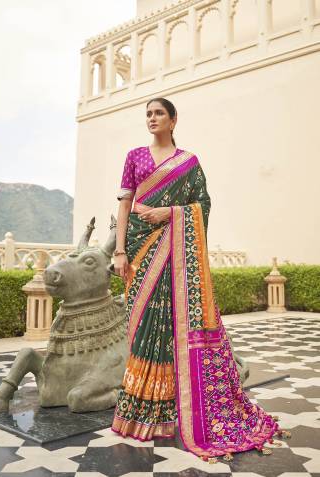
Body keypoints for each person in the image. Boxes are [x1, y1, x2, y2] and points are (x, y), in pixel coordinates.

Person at [110, 97, 291, 462]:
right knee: (143, 323)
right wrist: (119, 250)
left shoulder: (188, 163)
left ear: (173, 120)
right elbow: (125, 205)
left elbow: (202, 205)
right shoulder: (134, 156)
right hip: (139, 248)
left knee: (170, 326)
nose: (152, 118)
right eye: (148, 114)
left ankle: (168, 410)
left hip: (171, 249)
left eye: (159, 113)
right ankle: (138, 410)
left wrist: (172, 213)